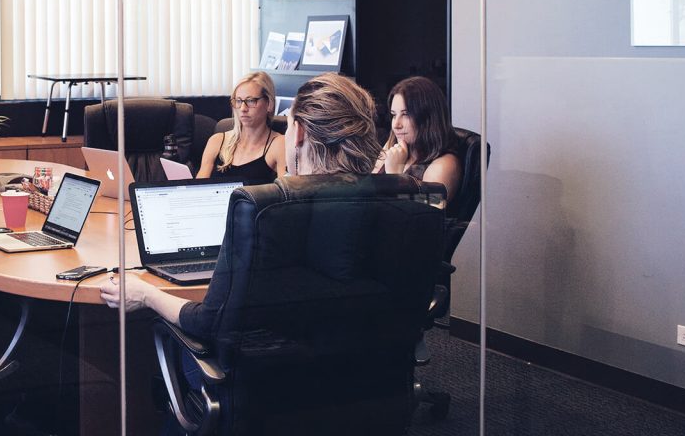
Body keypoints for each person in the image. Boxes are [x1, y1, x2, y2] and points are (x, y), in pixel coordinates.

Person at [100, 73, 381, 339]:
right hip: (376, 374)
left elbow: (208, 321)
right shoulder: (402, 201)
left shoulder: (265, 215)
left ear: (298, 135)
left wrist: (146, 293)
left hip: (268, 373)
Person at [373, 75, 461, 203]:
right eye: (393, 115)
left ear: (428, 117)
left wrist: (395, 176)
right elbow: (368, 194)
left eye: (406, 114)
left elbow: (422, 216)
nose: (396, 125)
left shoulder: (444, 164)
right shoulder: (395, 147)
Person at [196, 71, 286, 183]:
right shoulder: (217, 141)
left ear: (269, 104)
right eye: (238, 101)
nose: (243, 108)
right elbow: (197, 189)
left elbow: (287, 194)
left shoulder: (279, 144)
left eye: (250, 100)